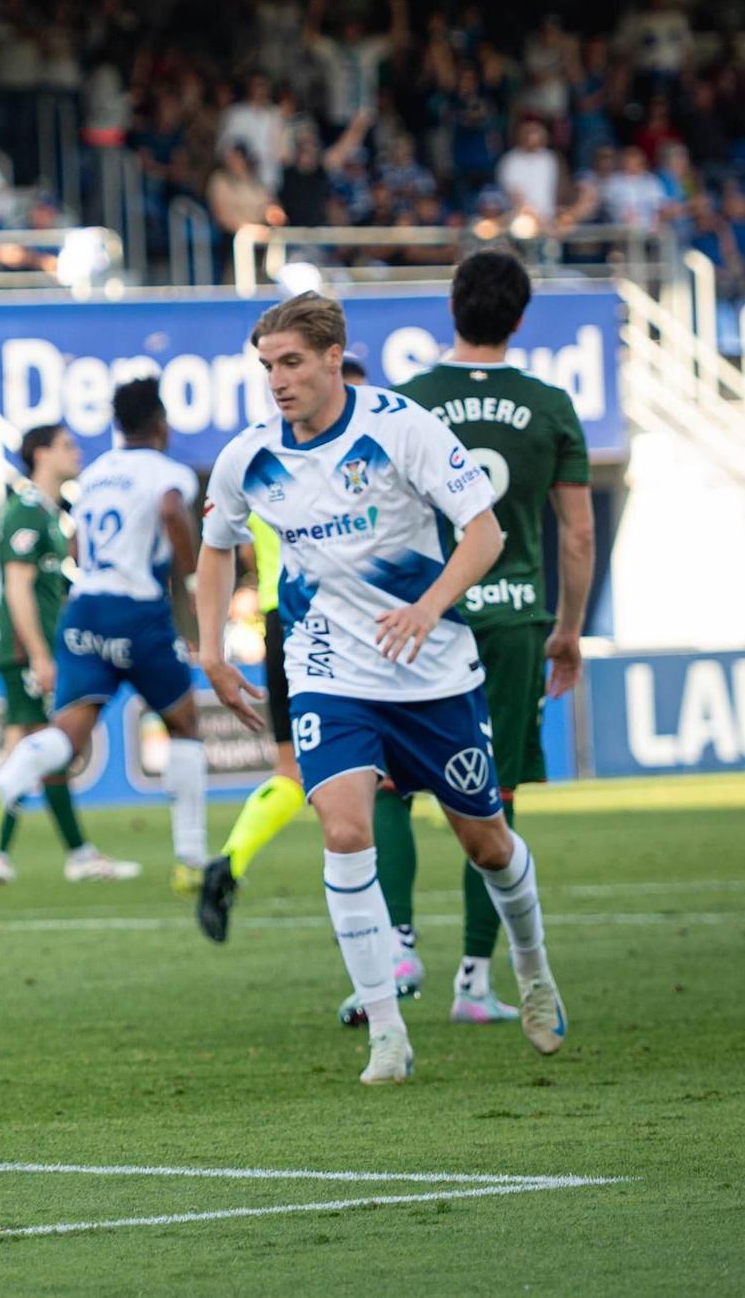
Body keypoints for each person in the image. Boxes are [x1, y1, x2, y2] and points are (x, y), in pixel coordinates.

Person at [192, 291, 565, 1084]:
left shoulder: (401, 428)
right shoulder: (248, 456)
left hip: (432, 672)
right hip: (329, 669)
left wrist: (429, 608)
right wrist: (212, 651)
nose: (277, 380)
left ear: (334, 357)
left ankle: (532, 968)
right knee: (343, 829)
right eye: (267, 366)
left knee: (488, 843)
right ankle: (387, 1031)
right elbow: (215, 547)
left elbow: (485, 532)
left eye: (291, 362)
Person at [314, 253, 590, 1028]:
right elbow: (577, 534)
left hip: (420, 617)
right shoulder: (550, 405)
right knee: (493, 797)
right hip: (513, 620)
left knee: (388, 785)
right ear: (521, 319)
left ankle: (398, 949)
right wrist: (568, 629)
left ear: (451, 308)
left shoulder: (407, 402)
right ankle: (475, 980)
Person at [0, 379, 207, 890]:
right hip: (136, 610)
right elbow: (169, 510)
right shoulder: (167, 473)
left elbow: (77, 545)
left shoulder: (95, 476)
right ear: (161, 423)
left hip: (83, 613)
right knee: (184, 724)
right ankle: (190, 859)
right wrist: (189, 579)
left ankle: (1, 788)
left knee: (65, 735)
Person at [199, 356, 369, 941]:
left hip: (280, 621)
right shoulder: (340, 465)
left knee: (291, 769)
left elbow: (237, 547)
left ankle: (229, 861)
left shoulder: (262, 462)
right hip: (336, 618)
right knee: (375, 771)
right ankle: (384, 922)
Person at [0, 423, 127, 887]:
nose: (76, 452)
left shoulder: (47, 512)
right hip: (25, 650)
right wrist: (40, 654)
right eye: (66, 445)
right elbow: (17, 588)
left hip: (32, 649)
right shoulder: (26, 511)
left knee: (28, 750)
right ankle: (68, 854)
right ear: (40, 454)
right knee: (45, 746)